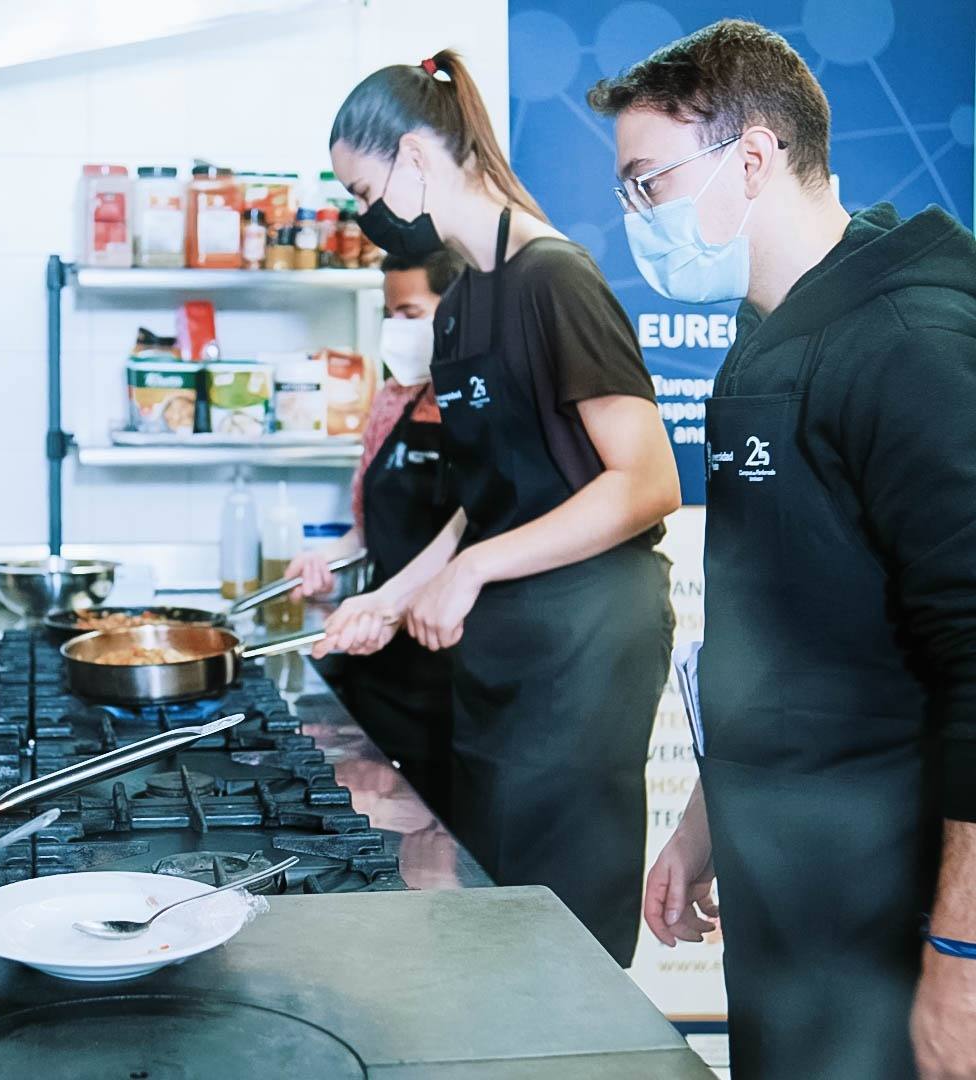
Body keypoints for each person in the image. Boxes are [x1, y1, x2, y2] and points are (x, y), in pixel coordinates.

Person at [589, 18, 976, 1079]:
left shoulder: (908, 345)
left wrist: (963, 955)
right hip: (786, 892)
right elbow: (774, 628)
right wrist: (706, 824)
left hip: (889, 923)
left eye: (647, 183)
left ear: (752, 157)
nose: (636, 217)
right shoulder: (766, 339)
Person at [316, 49, 680, 966]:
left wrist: (476, 569)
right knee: (492, 918)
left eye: (363, 193)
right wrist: (393, 596)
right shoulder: (461, 303)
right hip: (504, 650)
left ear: (412, 160)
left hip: (588, 644)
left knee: (561, 940)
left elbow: (646, 482)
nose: (367, 221)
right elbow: (484, 502)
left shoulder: (555, 280)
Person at [288, 248, 464, 819]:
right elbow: (365, 533)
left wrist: (390, 604)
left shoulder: (485, 407)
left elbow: (479, 533)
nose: (397, 331)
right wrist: (323, 563)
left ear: (457, 308)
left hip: (452, 669)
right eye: (390, 315)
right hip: (378, 659)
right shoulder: (393, 401)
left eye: (411, 313)